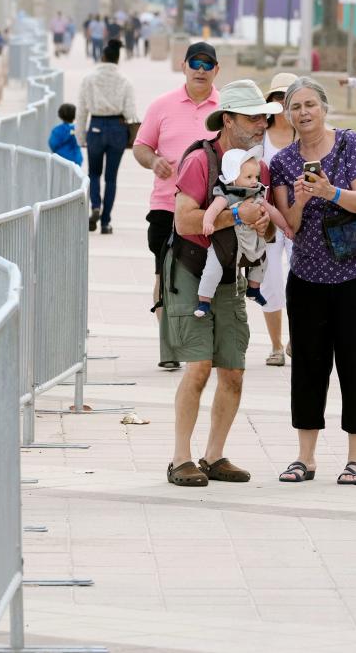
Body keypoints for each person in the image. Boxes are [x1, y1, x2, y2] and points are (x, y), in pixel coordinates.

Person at [159, 79, 279, 487]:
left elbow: (266, 231)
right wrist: (237, 216)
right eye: (253, 117)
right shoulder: (200, 161)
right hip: (192, 271)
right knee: (199, 367)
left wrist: (263, 226)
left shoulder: (260, 168)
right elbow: (185, 221)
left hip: (233, 275)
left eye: (264, 117)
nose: (262, 124)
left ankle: (213, 456)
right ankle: (179, 459)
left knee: (233, 371)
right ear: (227, 119)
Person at [271, 77, 356, 486]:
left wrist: (329, 190)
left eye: (310, 105)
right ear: (287, 115)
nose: (303, 113)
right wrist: (303, 197)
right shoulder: (283, 162)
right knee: (307, 367)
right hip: (308, 277)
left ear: (323, 107)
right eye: (295, 107)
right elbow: (289, 225)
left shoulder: (350, 144)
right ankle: (305, 458)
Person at [133, 41, 222, 370]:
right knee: (166, 273)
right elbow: (141, 147)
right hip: (166, 207)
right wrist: (153, 161)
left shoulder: (224, 108)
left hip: (210, 211)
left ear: (216, 70)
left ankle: (203, 343)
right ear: (184, 66)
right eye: (194, 63)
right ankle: (169, 344)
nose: (200, 70)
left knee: (207, 276)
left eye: (207, 64)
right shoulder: (162, 105)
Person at [194, 146, 291, 316]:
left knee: (262, 261)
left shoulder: (257, 193)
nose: (255, 180)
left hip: (250, 241)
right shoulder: (227, 194)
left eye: (256, 176)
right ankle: (204, 300)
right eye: (249, 177)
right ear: (232, 177)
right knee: (212, 269)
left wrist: (286, 227)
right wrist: (208, 222)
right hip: (225, 243)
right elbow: (214, 210)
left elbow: (273, 211)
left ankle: (254, 289)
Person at [75, 39, 136, 235]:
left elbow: (82, 110)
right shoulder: (125, 81)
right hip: (118, 128)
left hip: (96, 127)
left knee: (94, 173)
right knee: (111, 178)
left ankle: (95, 205)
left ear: (102, 57)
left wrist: (80, 136)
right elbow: (131, 113)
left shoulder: (89, 79)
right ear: (118, 59)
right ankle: (106, 222)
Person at [260, 72, 298, 366]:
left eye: (289, 98)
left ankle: (295, 339)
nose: (283, 103)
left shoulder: (308, 136)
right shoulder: (259, 136)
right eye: (277, 97)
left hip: (301, 221)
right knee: (271, 281)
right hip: (269, 221)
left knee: (302, 280)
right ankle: (275, 345)